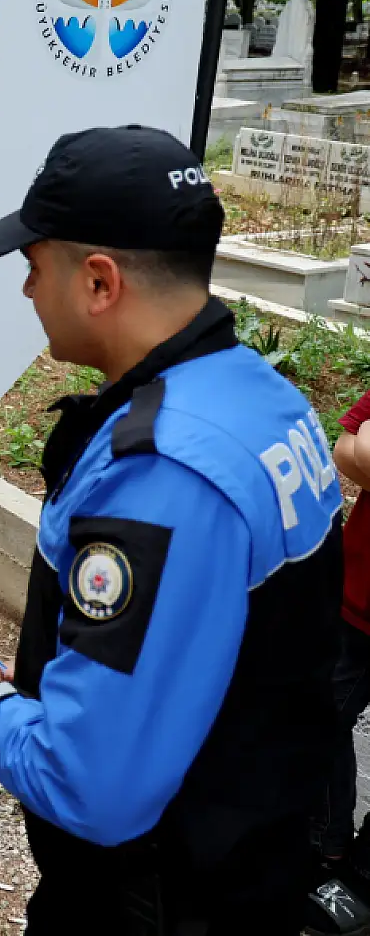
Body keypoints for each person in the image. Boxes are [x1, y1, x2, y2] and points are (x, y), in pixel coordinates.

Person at [0, 126, 343, 934]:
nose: (28, 292)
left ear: (98, 281)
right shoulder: (260, 394)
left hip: (154, 899)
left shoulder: (163, 473)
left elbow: (92, 785)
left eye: (34, 269)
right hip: (248, 854)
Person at [306, 389, 370, 933]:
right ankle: (326, 849)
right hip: (357, 589)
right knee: (319, 712)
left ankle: (361, 874)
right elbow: (345, 446)